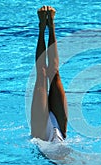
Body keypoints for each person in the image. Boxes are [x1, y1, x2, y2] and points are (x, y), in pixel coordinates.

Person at [31, 6, 68, 143]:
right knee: (54, 73)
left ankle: (42, 28)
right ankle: (51, 27)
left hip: (40, 134)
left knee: (42, 75)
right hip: (60, 132)